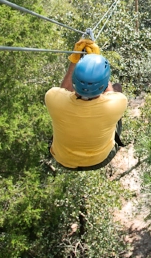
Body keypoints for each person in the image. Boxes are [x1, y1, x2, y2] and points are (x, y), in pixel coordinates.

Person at [45, 38, 127, 171]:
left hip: (63, 159)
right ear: (104, 83)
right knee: (117, 88)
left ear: (74, 79)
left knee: (64, 106)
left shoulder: (52, 97)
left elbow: (64, 91)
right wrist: (97, 60)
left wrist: (75, 59)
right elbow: (111, 93)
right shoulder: (118, 103)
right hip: (100, 160)